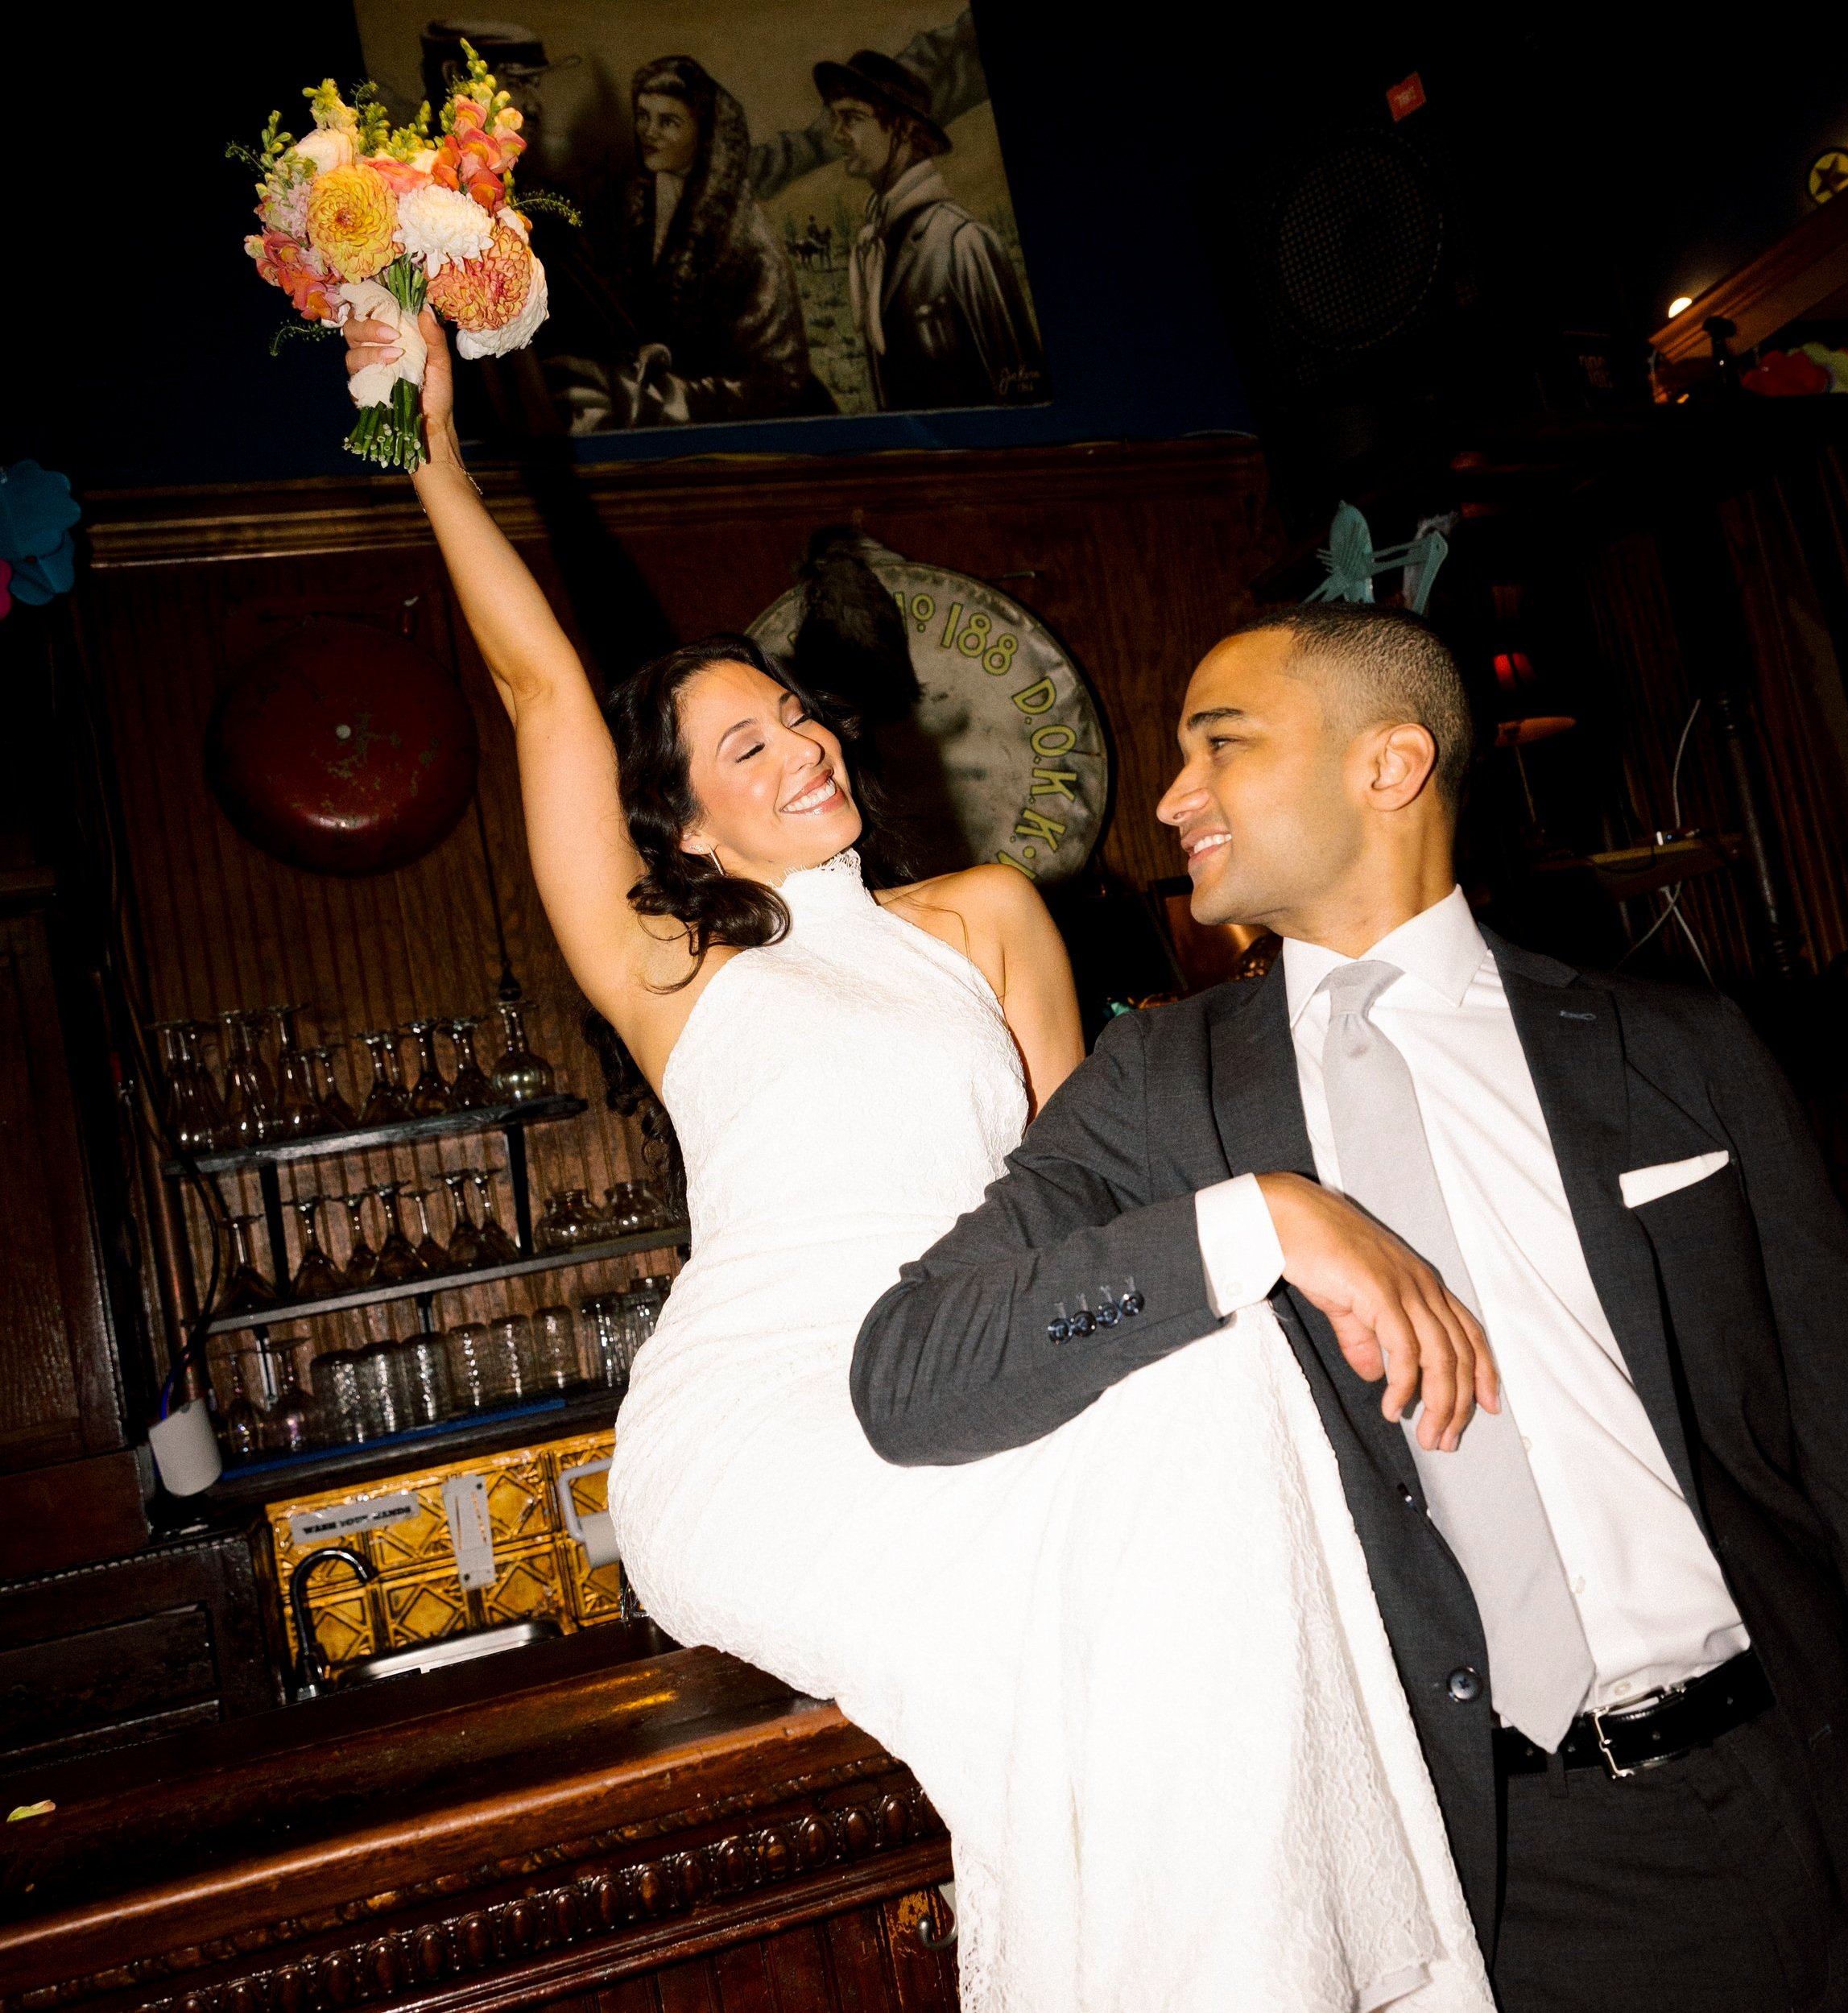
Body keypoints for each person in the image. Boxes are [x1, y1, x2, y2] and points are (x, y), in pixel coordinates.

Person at [339, 311, 1499, 2010]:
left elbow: (1087, 1189)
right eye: (745, 748)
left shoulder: (985, 916)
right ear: (683, 828)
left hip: (972, 1354)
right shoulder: (674, 966)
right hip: (768, 1416)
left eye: (796, 715)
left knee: (1218, 1381)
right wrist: (430, 447)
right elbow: (540, 691)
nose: (802, 746)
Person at [853, 601, 1848, 2013]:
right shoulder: (1165, 1093)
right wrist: (1255, 1221)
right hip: (1486, 1882)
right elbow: (911, 1374)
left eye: (1221, 746)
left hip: (1789, 1819)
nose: (1170, 798)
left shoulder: (1676, 1046)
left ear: (1389, 765)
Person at [554, 56, 834, 429]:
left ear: (705, 132)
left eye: (669, 122)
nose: (649, 132)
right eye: (643, 116)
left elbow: (779, 379)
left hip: (738, 424)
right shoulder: (631, 205)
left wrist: (673, 394)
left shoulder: (747, 237)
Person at [815, 50, 1048, 411]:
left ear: (904, 128)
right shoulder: (873, 243)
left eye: (853, 118)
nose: (837, 134)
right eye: (835, 118)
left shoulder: (962, 241)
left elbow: (1026, 395)